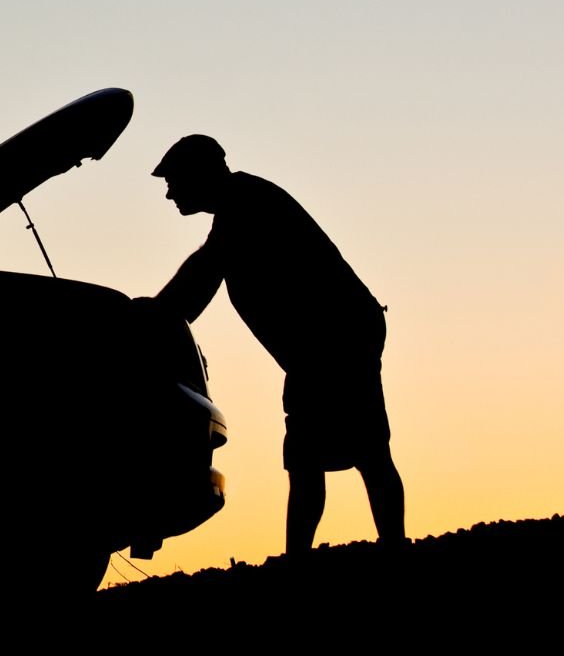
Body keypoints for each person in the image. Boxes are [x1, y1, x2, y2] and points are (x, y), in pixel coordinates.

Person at [151, 134, 405, 556]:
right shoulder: (240, 205)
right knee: (328, 454)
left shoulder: (245, 205)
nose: (169, 192)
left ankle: (335, 557)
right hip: (325, 346)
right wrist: (161, 315)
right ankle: (325, 556)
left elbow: (199, 279)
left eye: (174, 181)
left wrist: (153, 318)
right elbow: (199, 282)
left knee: (353, 453)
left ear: (201, 173)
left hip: (336, 341)